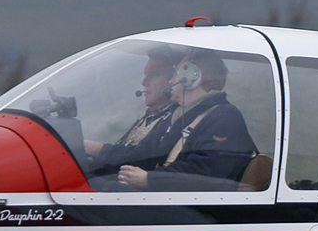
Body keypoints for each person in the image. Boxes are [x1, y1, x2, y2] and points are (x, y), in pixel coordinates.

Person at [117, 48, 257, 190]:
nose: (171, 81)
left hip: (197, 207)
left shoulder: (225, 117)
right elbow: (142, 156)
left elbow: (207, 172)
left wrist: (150, 179)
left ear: (191, 77)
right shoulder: (181, 117)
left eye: (176, 74)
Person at [85, 45, 184, 178]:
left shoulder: (176, 119)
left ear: (174, 81)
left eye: (154, 75)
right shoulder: (150, 115)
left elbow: (137, 158)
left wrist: (90, 148)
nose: (144, 82)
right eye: (145, 75)